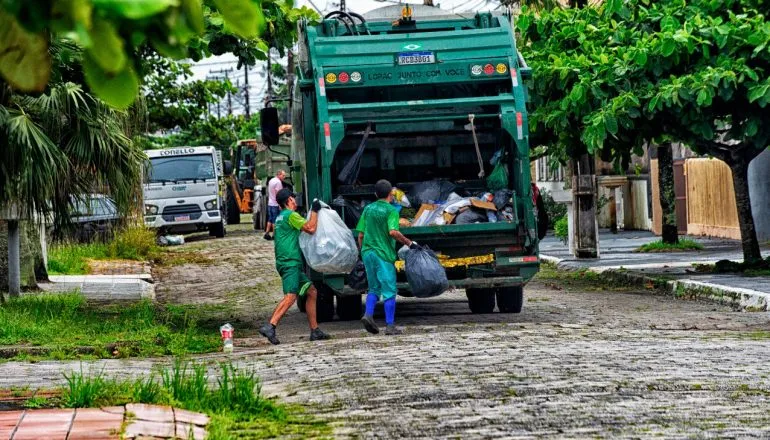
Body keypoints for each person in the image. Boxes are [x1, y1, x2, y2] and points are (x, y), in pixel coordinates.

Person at [259, 189, 330, 344]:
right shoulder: (291, 215)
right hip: (290, 263)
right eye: (293, 198)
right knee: (291, 296)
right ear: (289, 200)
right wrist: (316, 211)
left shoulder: (280, 217)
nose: (295, 201)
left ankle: (315, 330)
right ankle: (270, 325)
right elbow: (311, 229)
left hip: (289, 263)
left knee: (311, 292)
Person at [357, 179, 418, 336]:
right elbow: (392, 232)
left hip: (368, 253)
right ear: (391, 194)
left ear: (376, 194)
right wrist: (409, 243)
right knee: (389, 289)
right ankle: (390, 326)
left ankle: (368, 315)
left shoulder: (368, 209)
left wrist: (361, 252)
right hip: (383, 254)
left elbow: (361, 234)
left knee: (374, 288)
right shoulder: (391, 211)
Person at [264, 170, 286, 240]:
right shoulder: (278, 182)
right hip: (275, 204)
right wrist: (280, 204)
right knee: (275, 220)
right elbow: (278, 194)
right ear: (279, 175)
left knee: (270, 219)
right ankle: (274, 234)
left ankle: (267, 233)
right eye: (283, 175)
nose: (284, 177)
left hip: (270, 203)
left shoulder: (271, 180)